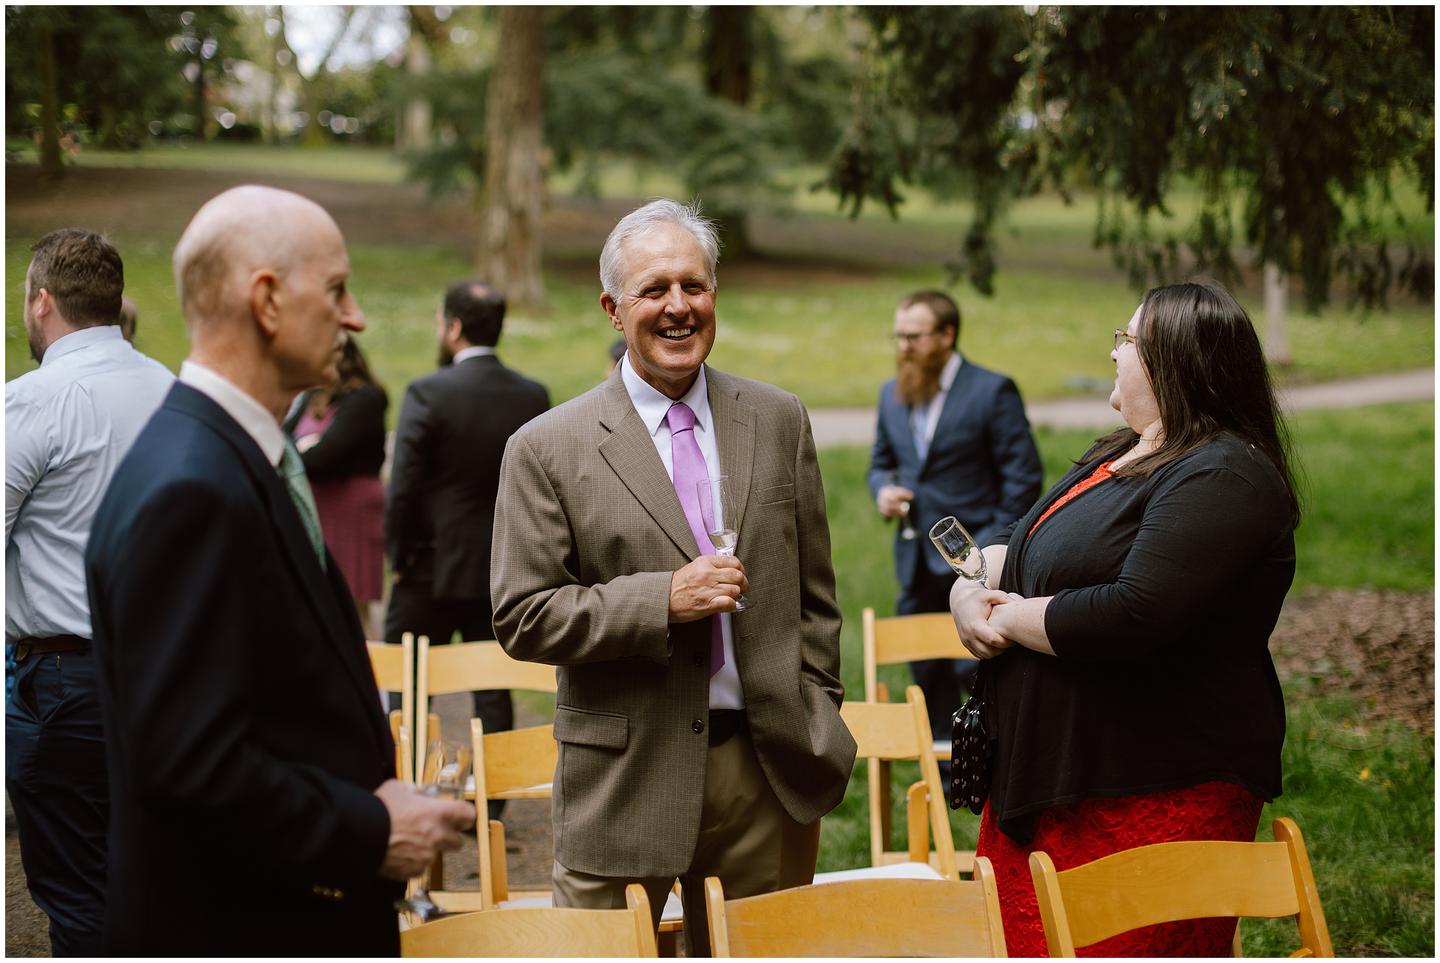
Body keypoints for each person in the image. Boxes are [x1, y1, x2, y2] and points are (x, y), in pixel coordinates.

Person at [84, 185, 474, 956]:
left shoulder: (225, 456)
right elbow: (188, 764)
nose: (354, 314)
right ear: (266, 300)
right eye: (336, 289)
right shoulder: (191, 487)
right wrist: (372, 827)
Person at [491, 198, 856, 955]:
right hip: (624, 777)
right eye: (654, 289)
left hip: (767, 770)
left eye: (694, 285)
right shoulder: (546, 447)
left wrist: (815, 704)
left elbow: (817, 596)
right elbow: (523, 613)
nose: (678, 306)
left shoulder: (779, 417)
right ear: (612, 310)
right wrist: (662, 598)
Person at [950, 280, 1301, 956]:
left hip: (1147, 786)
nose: (1114, 353)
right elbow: (1023, 550)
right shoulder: (1122, 449)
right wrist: (969, 595)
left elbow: (1135, 610)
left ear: (1176, 360)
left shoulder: (1225, 473)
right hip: (1048, 781)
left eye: (1128, 340)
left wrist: (1015, 615)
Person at [5, 229, 174, 956]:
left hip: (66, 682)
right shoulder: (176, 392)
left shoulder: (32, 401)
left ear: (42, 302)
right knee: (154, 883)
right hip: (171, 680)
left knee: (79, 898)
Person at [383, 278, 549, 818]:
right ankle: (493, 802)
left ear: (453, 328)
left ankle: (405, 788)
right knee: (493, 684)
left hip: (429, 565)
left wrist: (400, 556)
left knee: (409, 684)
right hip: (501, 566)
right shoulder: (531, 395)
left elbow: (403, 486)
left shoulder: (428, 392)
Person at [867, 289, 1042, 741]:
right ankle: (945, 779)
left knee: (977, 672)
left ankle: (997, 768)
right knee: (925, 673)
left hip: (978, 564)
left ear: (947, 334)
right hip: (914, 562)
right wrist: (883, 490)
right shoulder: (892, 393)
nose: (903, 346)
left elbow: (1023, 480)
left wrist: (981, 553)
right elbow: (881, 461)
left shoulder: (992, 391)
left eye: (914, 336)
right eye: (899, 336)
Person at [285, 334, 388, 638]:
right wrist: (304, 447)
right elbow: (282, 442)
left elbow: (328, 454)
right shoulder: (309, 396)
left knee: (352, 603)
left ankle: (371, 681)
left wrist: (304, 449)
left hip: (352, 509)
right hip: (317, 508)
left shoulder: (364, 399)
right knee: (314, 598)